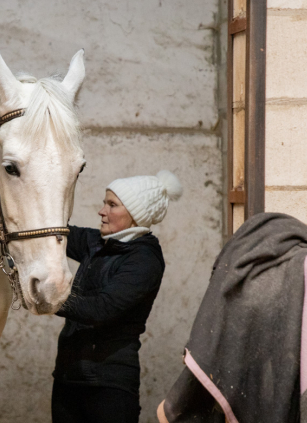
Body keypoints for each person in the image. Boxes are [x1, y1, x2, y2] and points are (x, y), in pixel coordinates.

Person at [52, 170, 183, 423]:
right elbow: (53, 233)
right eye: (105, 203)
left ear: (135, 215)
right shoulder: (98, 242)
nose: (102, 211)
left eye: (112, 205)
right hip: (67, 378)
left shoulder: (144, 260)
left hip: (108, 385)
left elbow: (102, 308)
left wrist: (51, 299)